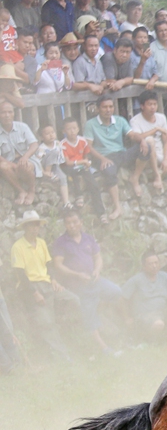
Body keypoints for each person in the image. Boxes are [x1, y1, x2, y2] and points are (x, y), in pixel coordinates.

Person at [51, 210, 123, 356]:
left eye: (75, 222)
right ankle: (103, 348)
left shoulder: (88, 238)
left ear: (81, 222)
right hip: (77, 286)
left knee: (117, 291)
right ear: (65, 225)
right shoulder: (61, 242)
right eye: (69, 223)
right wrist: (77, 275)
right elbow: (58, 265)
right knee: (88, 317)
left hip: (95, 281)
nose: (72, 225)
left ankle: (101, 311)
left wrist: (97, 270)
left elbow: (98, 257)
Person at [11, 210, 80, 359]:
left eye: (37, 225)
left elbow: (48, 264)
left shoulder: (41, 243)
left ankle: (73, 338)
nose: (35, 228)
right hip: (30, 287)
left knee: (73, 300)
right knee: (47, 323)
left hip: (47, 283)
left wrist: (54, 280)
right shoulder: (18, 247)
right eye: (31, 225)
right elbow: (20, 274)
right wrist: (34, 293)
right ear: (25, 227)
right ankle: (62, 356)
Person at [122, 250, 167, 341]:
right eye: (150, 264)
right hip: (145, 316)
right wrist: (127, 318)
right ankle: (148, 339)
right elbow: (122, 297)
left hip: (163, 312)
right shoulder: (136, 280)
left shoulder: (164, 276)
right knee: (159, 324)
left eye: (156, 263)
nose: (154, 266)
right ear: (144, 266)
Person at [82, 96, 133, 221]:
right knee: (109, 171)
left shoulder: (119, 120)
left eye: (110, 107)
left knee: (145, 146)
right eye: (104, 107)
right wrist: (103, 159)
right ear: (98, 109)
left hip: (120, 153)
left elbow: (132, 135)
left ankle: (136, 178)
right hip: (103, 156)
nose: (108, 110)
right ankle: (117, 207)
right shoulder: (91, 124)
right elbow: (88, 146)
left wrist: (142, 140)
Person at [0, 100, 38, 204]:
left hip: (26, 160)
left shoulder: (22, 126)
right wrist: (10, 164)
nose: (7, 115)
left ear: (13, 113)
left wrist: (25, 157)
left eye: (10, 112)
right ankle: (21, 191)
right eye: (3, 112)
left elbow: (34, 144)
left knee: (25, 165)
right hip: (9, 162)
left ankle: (31, 191)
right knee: (3, 166)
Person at [60, 117, 94, 209]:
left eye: (74, 128)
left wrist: (87, 162)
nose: (72, 131)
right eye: (69, 129)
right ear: (64, 131)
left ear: (78, 129)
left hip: (82, 166)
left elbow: (86, 156)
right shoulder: (62, 144)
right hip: (71, 167)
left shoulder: (83, 141)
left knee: (92, 181)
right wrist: (82, 162)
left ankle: (100, 211)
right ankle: (79, 196)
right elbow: (67, 162)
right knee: (72, 173)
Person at [35, 122, 70, 207]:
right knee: (53, 152)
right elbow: (38, 162)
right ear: (41, 137)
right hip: (44, 167)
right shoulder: (41, 148)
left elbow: (61, 156)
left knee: (63, 177)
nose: (51, 135)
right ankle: (48, 174)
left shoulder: (58, 143)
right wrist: (43, 172)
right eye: (47, 134)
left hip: (55, 166)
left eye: (52, 132)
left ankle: (66, 202)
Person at [149, 20, 167, 84]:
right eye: (161, 31)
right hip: (157, 86)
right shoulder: (151, 48)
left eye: (166, 30)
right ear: (156, 33)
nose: (164, 33)